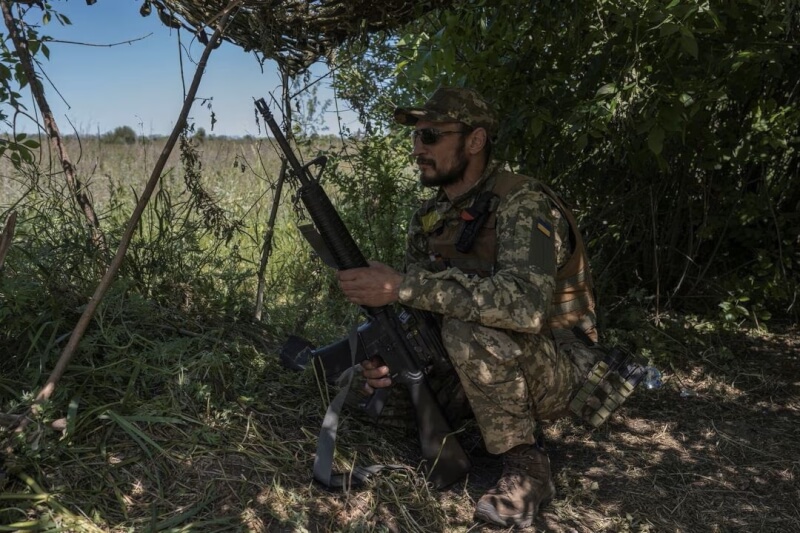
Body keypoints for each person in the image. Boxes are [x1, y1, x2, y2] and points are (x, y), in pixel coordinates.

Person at [335, 87, 597, 528]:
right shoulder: (431, 217)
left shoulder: (522, 203)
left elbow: (524, 309)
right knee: (376, 391)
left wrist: (402, 286)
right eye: (416, 138)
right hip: (492, 359)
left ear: (474, 141)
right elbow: (420, 309)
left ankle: (528, 468)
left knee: (466, 329)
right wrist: (389, 355)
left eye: (432, 136)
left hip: (562, 364)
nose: (419, 148)